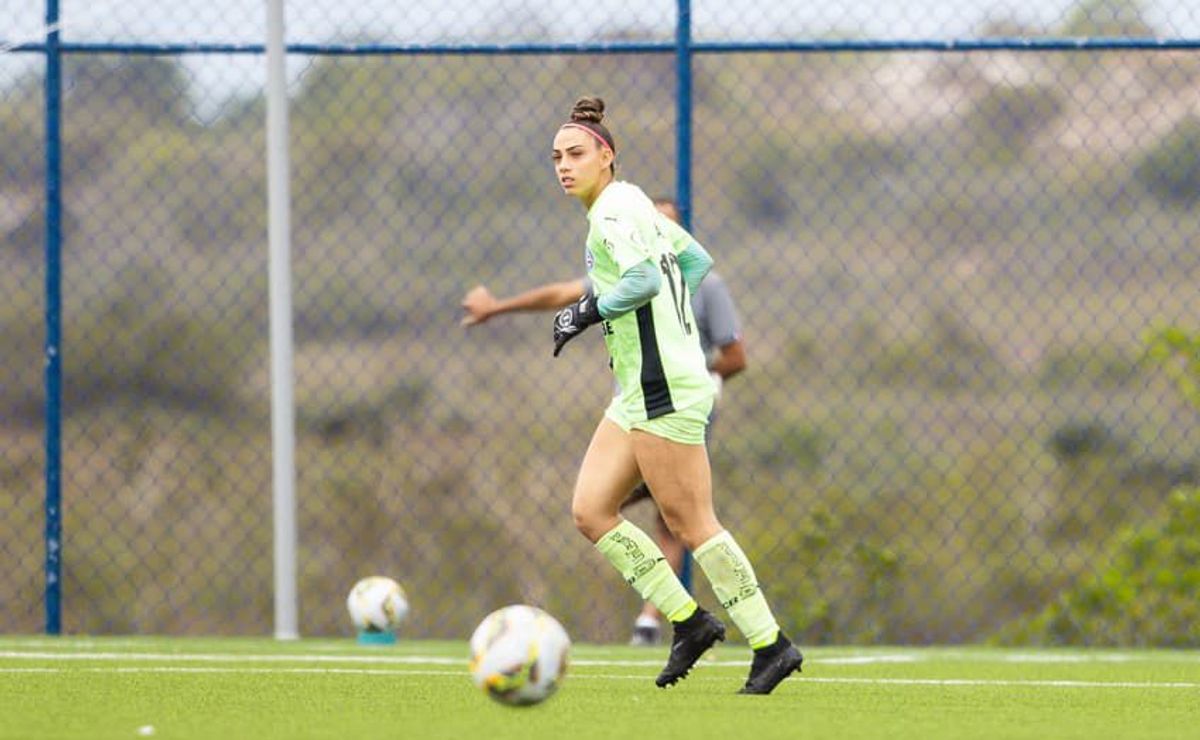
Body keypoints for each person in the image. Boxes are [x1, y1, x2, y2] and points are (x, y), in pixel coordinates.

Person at [465, 96, 802, 695]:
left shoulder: (613, 213)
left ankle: (771, 643)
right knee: (591, 510)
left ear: (606, 156)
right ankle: (688, 622)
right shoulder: (633, 202)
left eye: (576, 154)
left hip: (664, 388)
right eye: (556, 157)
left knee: (692, 522)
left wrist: (587, 312)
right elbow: (693, 261)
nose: (563, 166)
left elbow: (645, 279)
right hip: (637, 391)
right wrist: (669, 318)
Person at [461, 197, 748, 648]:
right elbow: (563, 294)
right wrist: (497, 308)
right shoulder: (622, 273)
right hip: (629, 410)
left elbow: (736, 357)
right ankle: (674, 620)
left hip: (674, 410)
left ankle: (679, 622)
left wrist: (699, 377)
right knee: (646, 515)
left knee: (665, 518)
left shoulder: (706, 286)